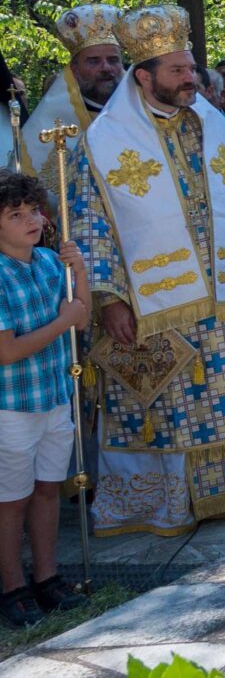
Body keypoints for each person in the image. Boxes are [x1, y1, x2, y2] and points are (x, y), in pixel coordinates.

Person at [54, 6, 225, 532]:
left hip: (221, 297)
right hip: (152, 307)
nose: (191, 78)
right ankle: (168, 504)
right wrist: (109, 299)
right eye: (178, 70)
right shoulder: (101, 143)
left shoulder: (212, 129)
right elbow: (88, 225)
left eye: (191, 68)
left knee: (224, 396)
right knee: (168, 405)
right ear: (144, 78)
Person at [0, 170, 88, 625]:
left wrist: (80, 272)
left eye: (33, 210)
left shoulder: (51, 262)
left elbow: (81, 318)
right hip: (12, 407)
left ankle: (47, 576)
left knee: (48, 489)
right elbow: (7, 351)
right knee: (11, 500)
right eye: (15, 215)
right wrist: (62, 321)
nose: (31, 220)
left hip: (54, 395)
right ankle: (12, 586)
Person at [17, 6, 124, 182]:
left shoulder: (144, 111)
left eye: (113, 60)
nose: (106, 68)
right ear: (74, 70)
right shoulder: (45, 128)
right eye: (93, 61)